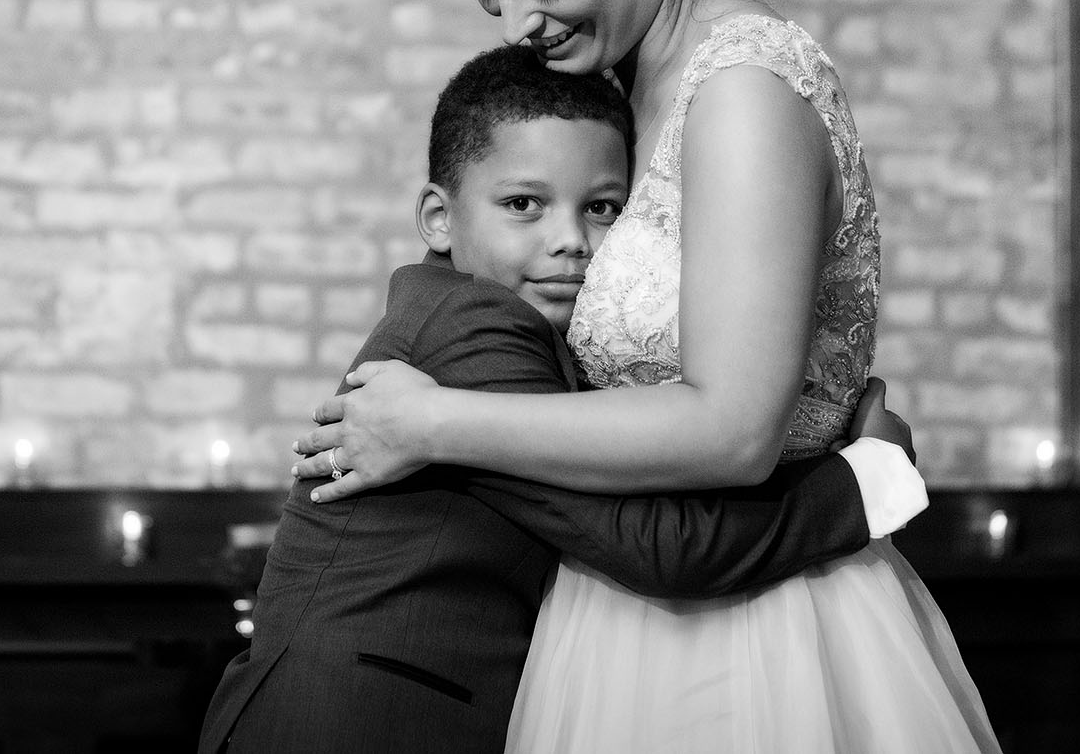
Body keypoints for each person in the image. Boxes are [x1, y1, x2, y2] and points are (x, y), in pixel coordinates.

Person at [289, 0, 1002, 753]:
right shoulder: (624, 80)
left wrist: (433, 422)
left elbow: (730, 428)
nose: (512, 22)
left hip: (753, 626)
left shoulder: (745, 88)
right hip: (622, 597)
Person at [198, 45, 924, 753]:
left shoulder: (492, 321)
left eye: (603, 207)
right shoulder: (473, 332)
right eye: (523, 204)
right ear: (438, 217)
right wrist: (867, 473)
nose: (571, 240)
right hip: (347, 722)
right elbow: (661, 546)